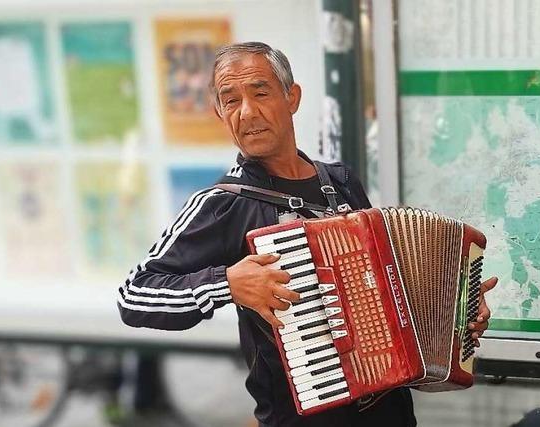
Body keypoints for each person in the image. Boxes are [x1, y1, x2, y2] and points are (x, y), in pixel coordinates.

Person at [117, 42, 497, 427]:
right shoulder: (223, 204)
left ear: (292, 97)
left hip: (391, 415)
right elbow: (135, 295)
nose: (247, 112)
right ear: (220, 113)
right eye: (230, 101)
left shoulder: (341, 181)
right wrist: (227, 284)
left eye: (260, 92)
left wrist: (458, 310)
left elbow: (389, 290)